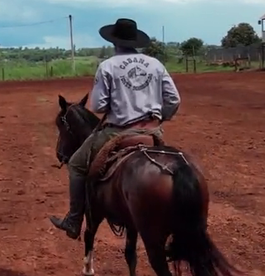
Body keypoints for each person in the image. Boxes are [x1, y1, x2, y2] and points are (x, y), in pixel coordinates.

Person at [49, 18, 182, 240]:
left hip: (118, 132)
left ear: (114, 42)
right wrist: (159, 119)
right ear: (135, 41)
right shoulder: (155, 64)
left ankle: (74, 220)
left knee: (76, 164)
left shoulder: (108, 66)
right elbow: (174, 99)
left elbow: (98, 105)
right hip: (152, 132)